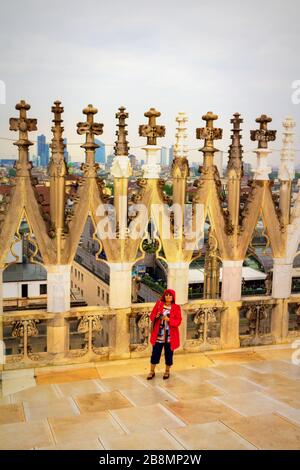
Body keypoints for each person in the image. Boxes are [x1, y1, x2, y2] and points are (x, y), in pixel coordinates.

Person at [147, 288, 182, 380]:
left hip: (170, 337)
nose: (168, 296)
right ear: (164, 296)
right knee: (155, 354)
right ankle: (151, 371)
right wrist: (157, 316)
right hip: (158, 335)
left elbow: (178, 322)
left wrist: (168, 319)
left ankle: (167, 371)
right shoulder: (159, 304)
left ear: (173, 297)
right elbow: (151, 317)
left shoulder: (176, 307)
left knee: (169, 354)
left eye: (170, 295)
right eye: (166, 295)